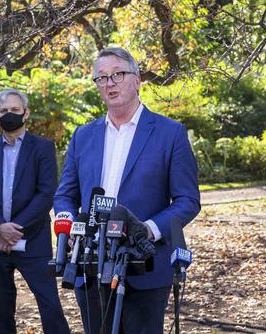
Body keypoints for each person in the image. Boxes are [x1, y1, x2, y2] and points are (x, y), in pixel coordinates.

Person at [54, 47, 200, 334]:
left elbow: (187, 200)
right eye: (102, 77)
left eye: (118, 74)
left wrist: (147, 229)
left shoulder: (170, 133)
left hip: (144, 265)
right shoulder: (83, 136)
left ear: (137, 80)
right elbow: (65, 196)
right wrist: (69, 227)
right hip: (90, 267)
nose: (110, 83)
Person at [0, 88, 70, 334]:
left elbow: (46, 193)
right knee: (1, 314)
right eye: (4, 111)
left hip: (33, 241)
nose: (9, 114)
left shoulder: (43, 148)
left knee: (50, 307)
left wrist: (15, 230)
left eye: (15, 110)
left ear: (26, 113)